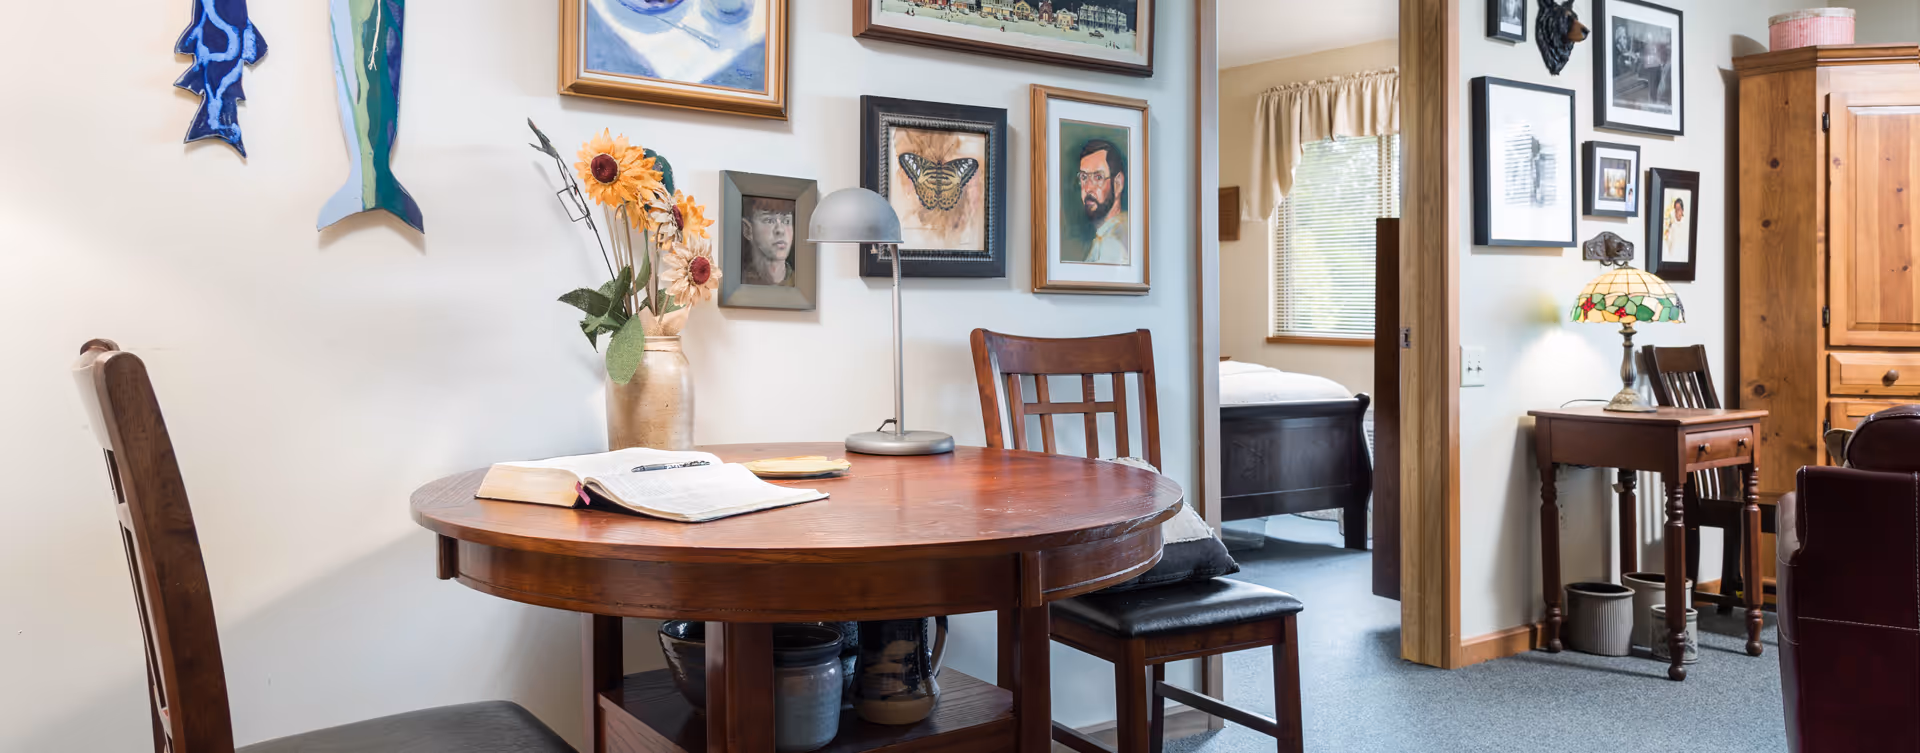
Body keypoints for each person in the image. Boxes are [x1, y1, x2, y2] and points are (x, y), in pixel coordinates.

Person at [1075, 139, 1129, 265]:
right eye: (1083, 177)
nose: (1088, 188)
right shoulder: (1107, 234)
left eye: (1098, 177)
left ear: (1118, 183)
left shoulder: (1112, 244)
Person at [740, 197, 795, 286]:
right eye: (769, 220)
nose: (780, 230)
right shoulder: (738, 282)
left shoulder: (802, 284)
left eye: (786, 221)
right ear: (747, 230)